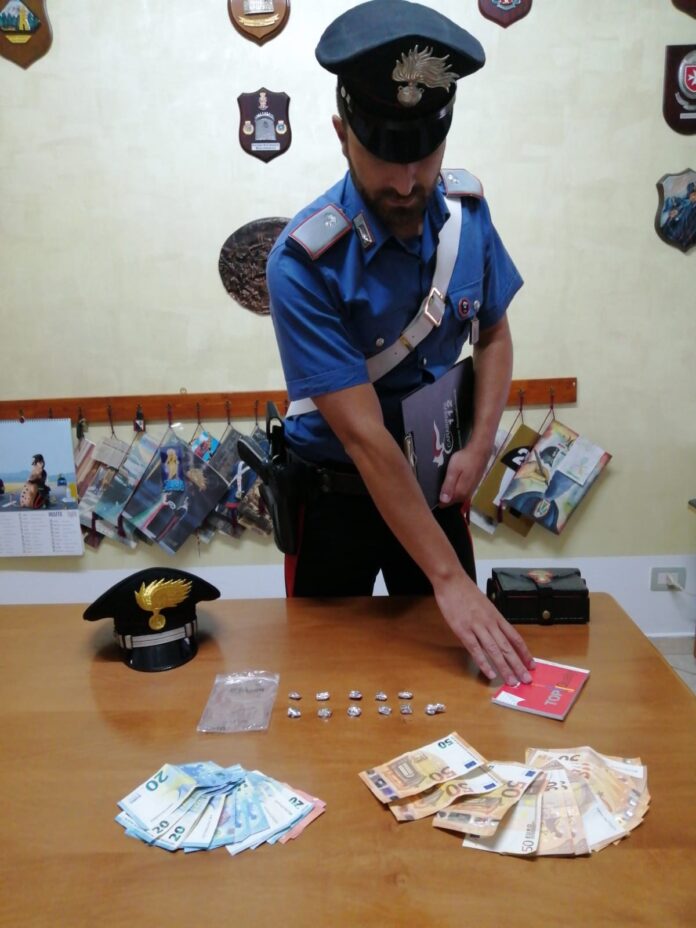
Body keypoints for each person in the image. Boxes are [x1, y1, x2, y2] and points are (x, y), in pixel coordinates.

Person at [266, 0, 534, 686]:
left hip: (435, 485)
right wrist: (447, 578)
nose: (407, 182)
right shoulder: (304, 262)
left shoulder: (468, 217)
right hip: (336, 498)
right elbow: (365, 439)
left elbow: (494, 331)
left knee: (464, 677)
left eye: (424, 156)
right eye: (385, 157)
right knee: (326, 682)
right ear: (342, 134)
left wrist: (480, 445)